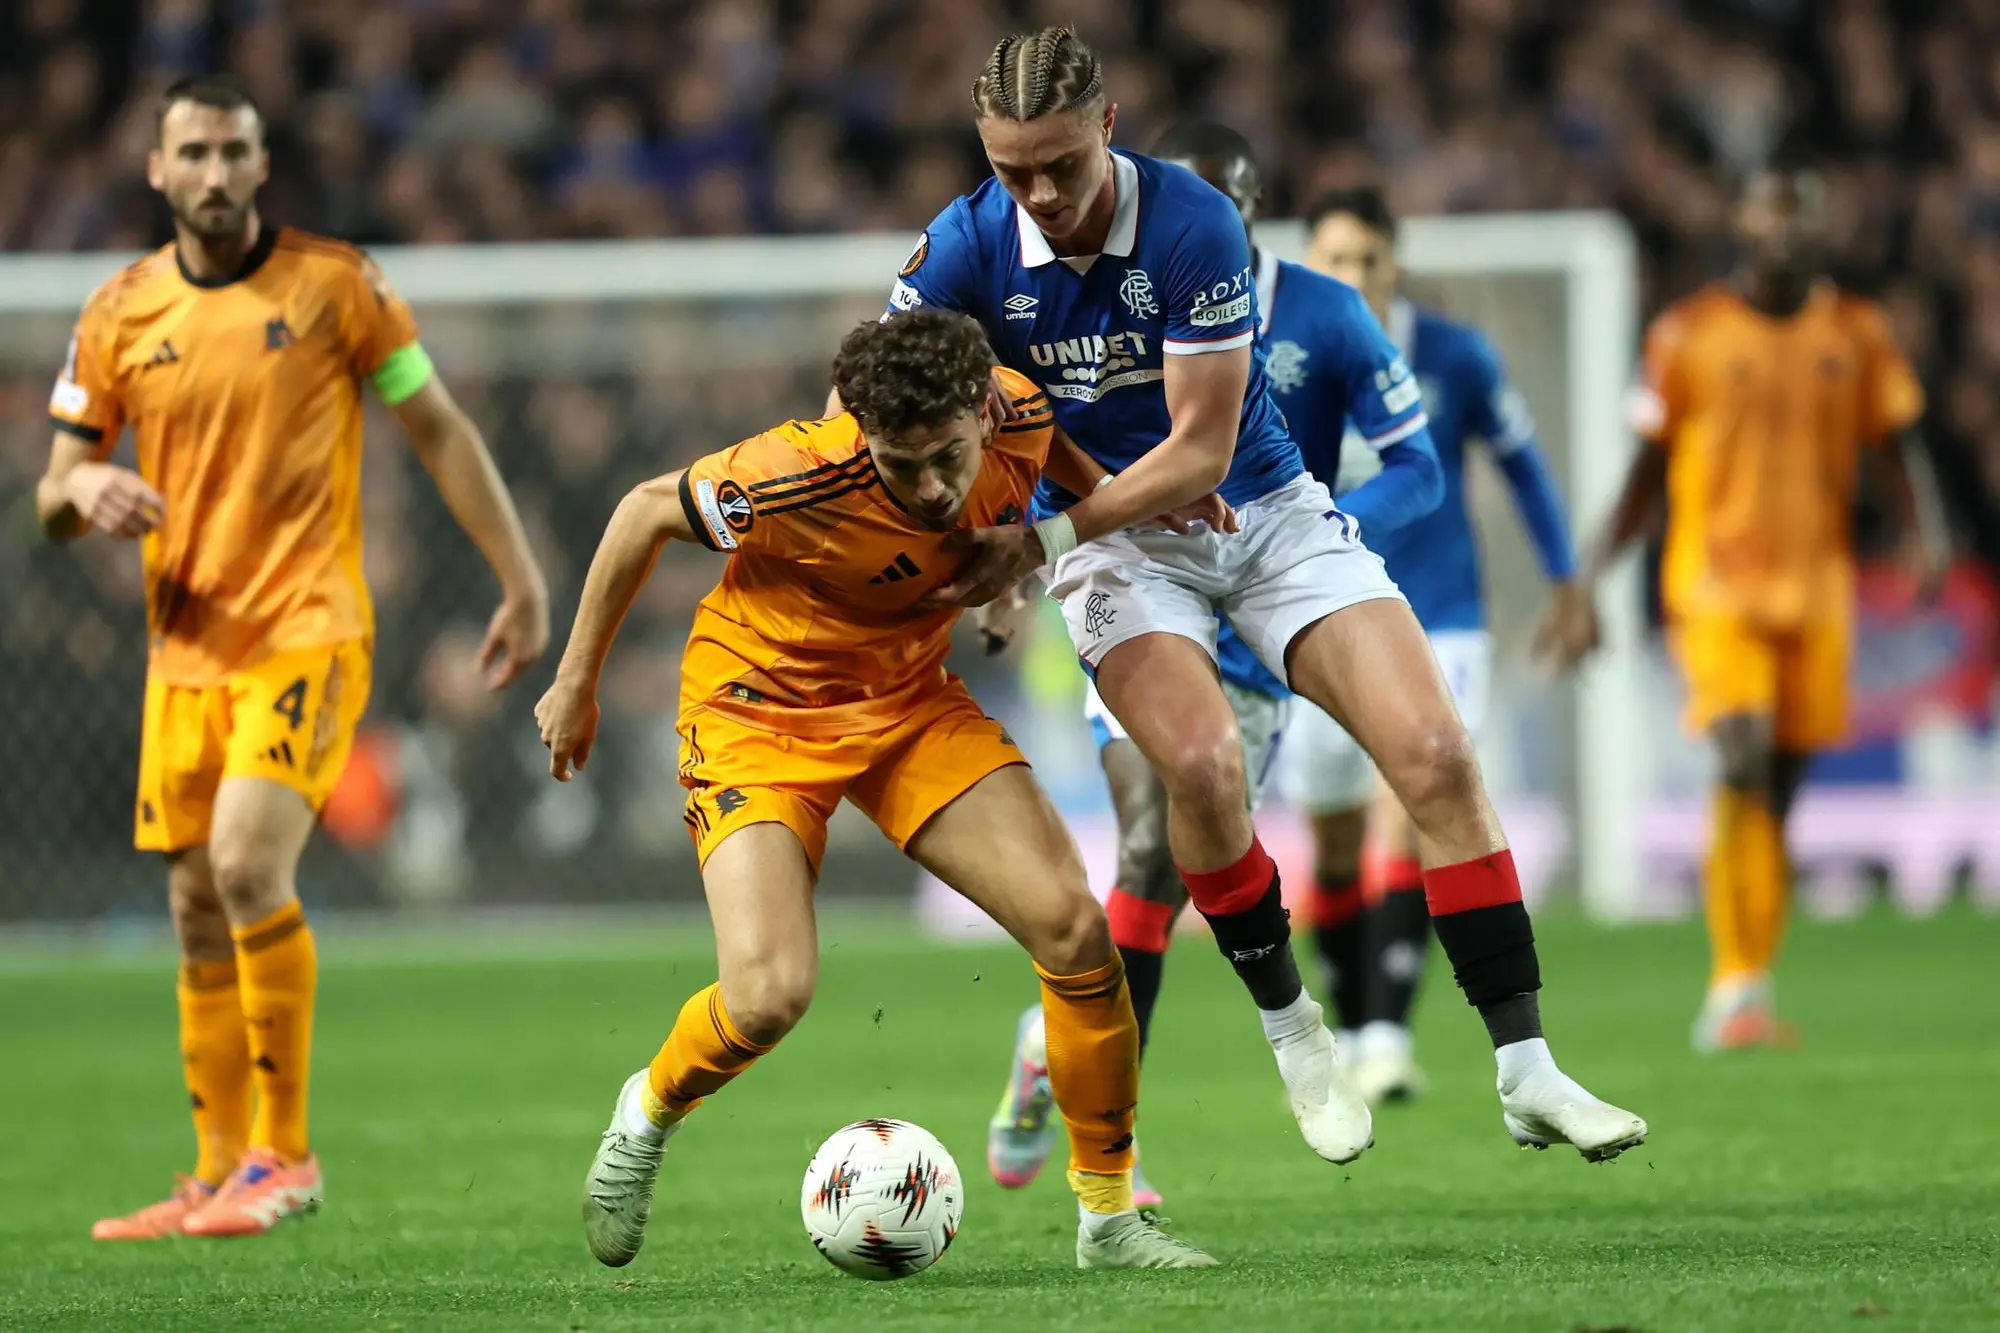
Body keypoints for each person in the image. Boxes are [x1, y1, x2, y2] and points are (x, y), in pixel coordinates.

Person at [891, 24, 1644, 1167]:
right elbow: (886, 402)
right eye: (1009, 170)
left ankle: (1527, 1070)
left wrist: (1032, 540)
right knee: (1197, 772)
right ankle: (1295, 1027)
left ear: (1108, 127)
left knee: (1436, 751)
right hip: (1117, 553)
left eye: (1059, 164)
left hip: (1261, 513)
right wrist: (971, 525)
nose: (1037, 194)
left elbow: (1199, 450)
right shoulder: (962, 248)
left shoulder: (1193, 224)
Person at [535, 309, 1216, 1272]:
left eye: (946, 455)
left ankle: (1109, 1218)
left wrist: (1063, 532)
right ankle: (647, 1112)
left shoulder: (1017, 410)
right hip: (756, 712)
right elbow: (645, 509)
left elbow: (1043, 461)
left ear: (981, 410)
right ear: (862, 435)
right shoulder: (794, 471)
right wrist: (576, 681)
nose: (932, 487)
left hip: (904, 702)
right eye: (902, 466)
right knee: (769, 995)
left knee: (1073, 926)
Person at [37, 74, 549, 1239]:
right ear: (156, 170)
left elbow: (437, 426)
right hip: (184, 652)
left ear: (263, 165)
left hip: (309, 630)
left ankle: (288, 1158)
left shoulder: (336, 285)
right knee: (194, 905)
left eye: (234, 151)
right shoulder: (116, 311)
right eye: (194, 153)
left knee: (244, 863)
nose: (215, 173)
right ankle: (217, 1172)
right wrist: (82, 488)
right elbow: (51, 495)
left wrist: (519, 578)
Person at [977, 122, 1446, 1209]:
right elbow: (1024, 423)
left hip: (1264, 618)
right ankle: (1115, 1150)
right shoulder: (1095, 294)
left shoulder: (1321, 315)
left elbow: (1417, 467)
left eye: (1231, 214)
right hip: (1136, 596)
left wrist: (1328, 531)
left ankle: (1055, 1041)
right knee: (1145, 848)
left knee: (1180, 878)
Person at [1544, 163, 1948, 1052]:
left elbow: (1899, 440)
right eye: (1770, 212)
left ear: (1816, 227)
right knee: (1745, 752)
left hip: (1818, 590)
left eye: (1799, 213)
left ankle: (1746, 983)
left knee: (1781, 787)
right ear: (1744, 222)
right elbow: (1646, 474)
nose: (1784, 229)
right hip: (1715, 586)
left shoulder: (1857, 331)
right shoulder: (1688, 333)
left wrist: (1927, 532)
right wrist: (1586, 578)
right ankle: (1732, 984)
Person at [1284, 186, 1588, 1104]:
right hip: (1321, 621)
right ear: (1309, 265)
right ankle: (1356, 1005)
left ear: (1397, 262)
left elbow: (1523, 466)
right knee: (1333, 839)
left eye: (1369, 258)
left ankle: (1384, 1034)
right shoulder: (1281, 352)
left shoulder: (1457, 357)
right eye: (1336, 259)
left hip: (1440, 615)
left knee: (1407, 799)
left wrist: (1568, 578)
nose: (1355, 275)